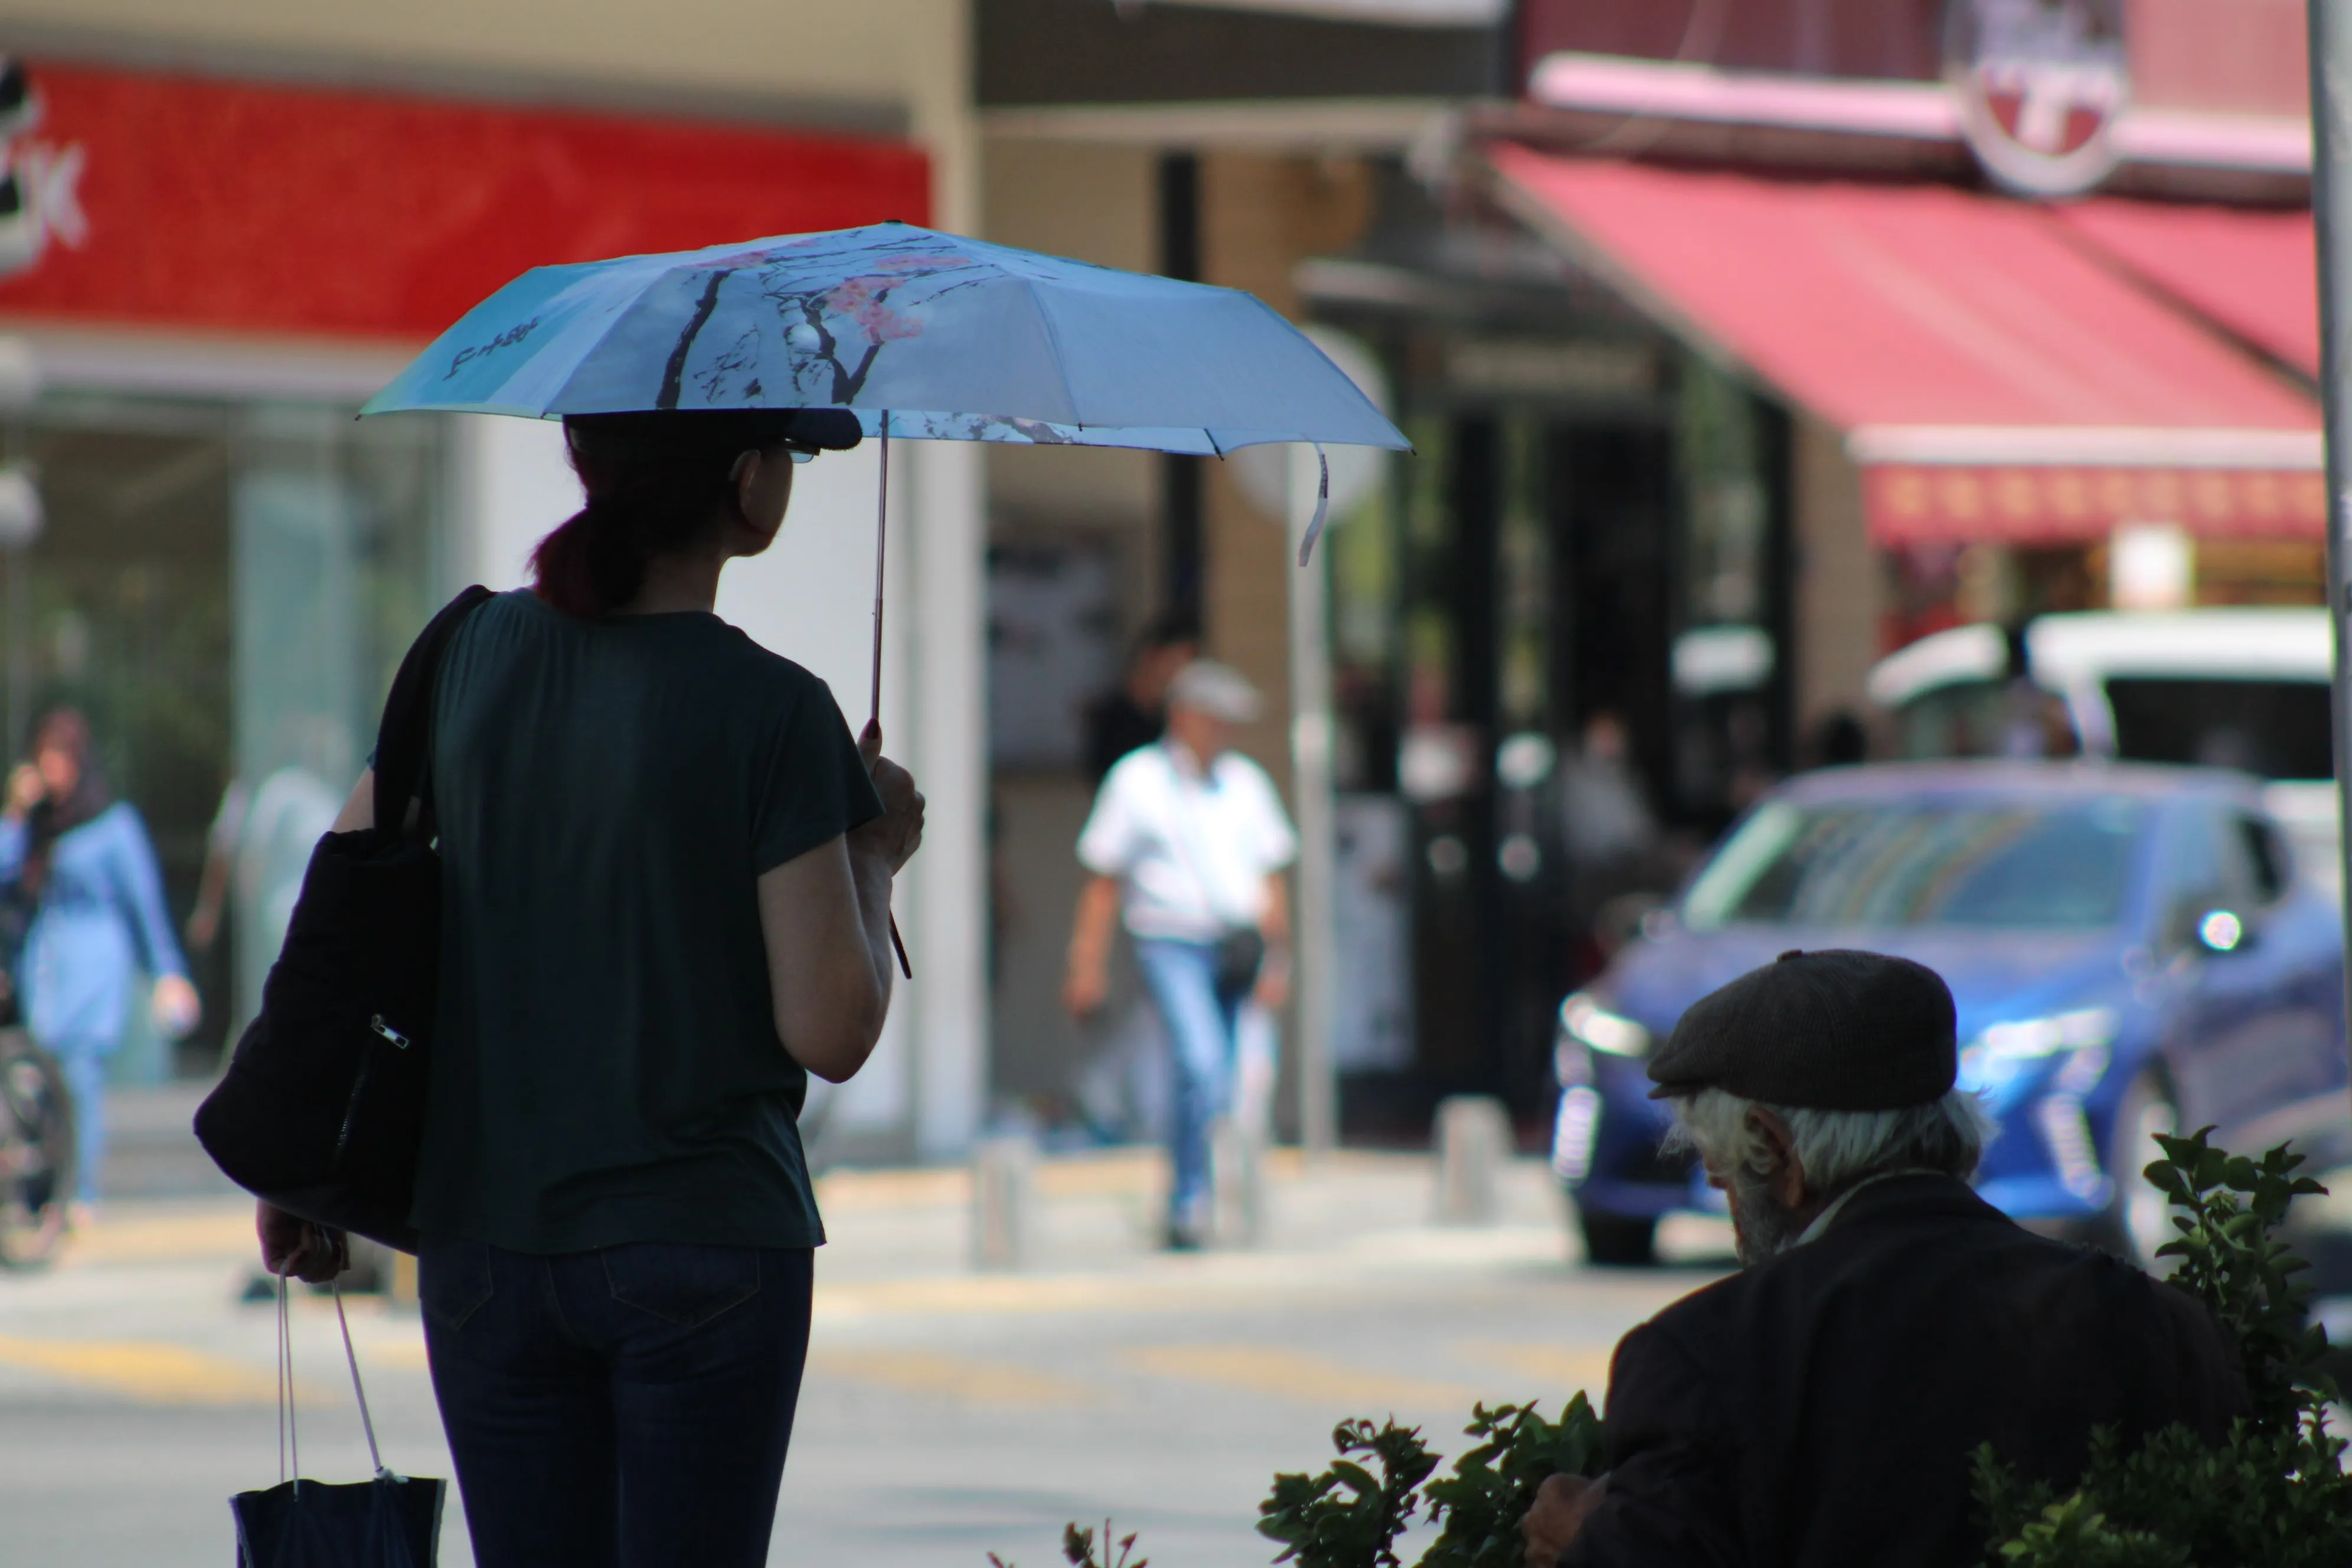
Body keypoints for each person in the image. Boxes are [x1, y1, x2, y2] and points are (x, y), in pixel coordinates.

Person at [256, 407, 925, 1568]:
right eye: (792, 456)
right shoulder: (775, 708)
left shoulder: (465, 653)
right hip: (706, 1245)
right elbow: (830, 1028)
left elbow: (342, 915)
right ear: (749, 481)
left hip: (481, 1246)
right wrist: (874, 850)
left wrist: (297, 1153)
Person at [1522, 949, 2244, 1568]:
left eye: (1724, 1177)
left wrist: (1592, 1538)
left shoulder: (1709, 1353)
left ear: (1776, 1152)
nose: (1733, 1214)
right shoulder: (2157, 1324)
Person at [1063, 659, 1294, 1249]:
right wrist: (1086, 962)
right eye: (1218, 719)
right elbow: (1105, 879)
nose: (1228, 732)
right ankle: (1190, 1194)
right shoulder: (1137, 780)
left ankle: (1200, 1188)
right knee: (1200, 1061)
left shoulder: (1245, 783)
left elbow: (1271, 879)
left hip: (1237, 946)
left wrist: (1279, 958)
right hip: (1171, 940)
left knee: (1230, 1080)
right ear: (1186, 717)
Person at [0, 707, 200, 1219]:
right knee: (38, 1079)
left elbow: (144, 904)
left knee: (81, 1075)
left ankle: (80, 1193)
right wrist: (18, 814)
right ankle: (43, 1191)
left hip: (94, 962)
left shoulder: (113, 825)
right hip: (45, 963)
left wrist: (168, 972)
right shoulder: (38, 825)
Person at [1082, 615, 1200, 786]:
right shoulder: (1113, 719)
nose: (1183, 671)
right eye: (1176, 660)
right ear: (1151, 657)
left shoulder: (1176, 718)